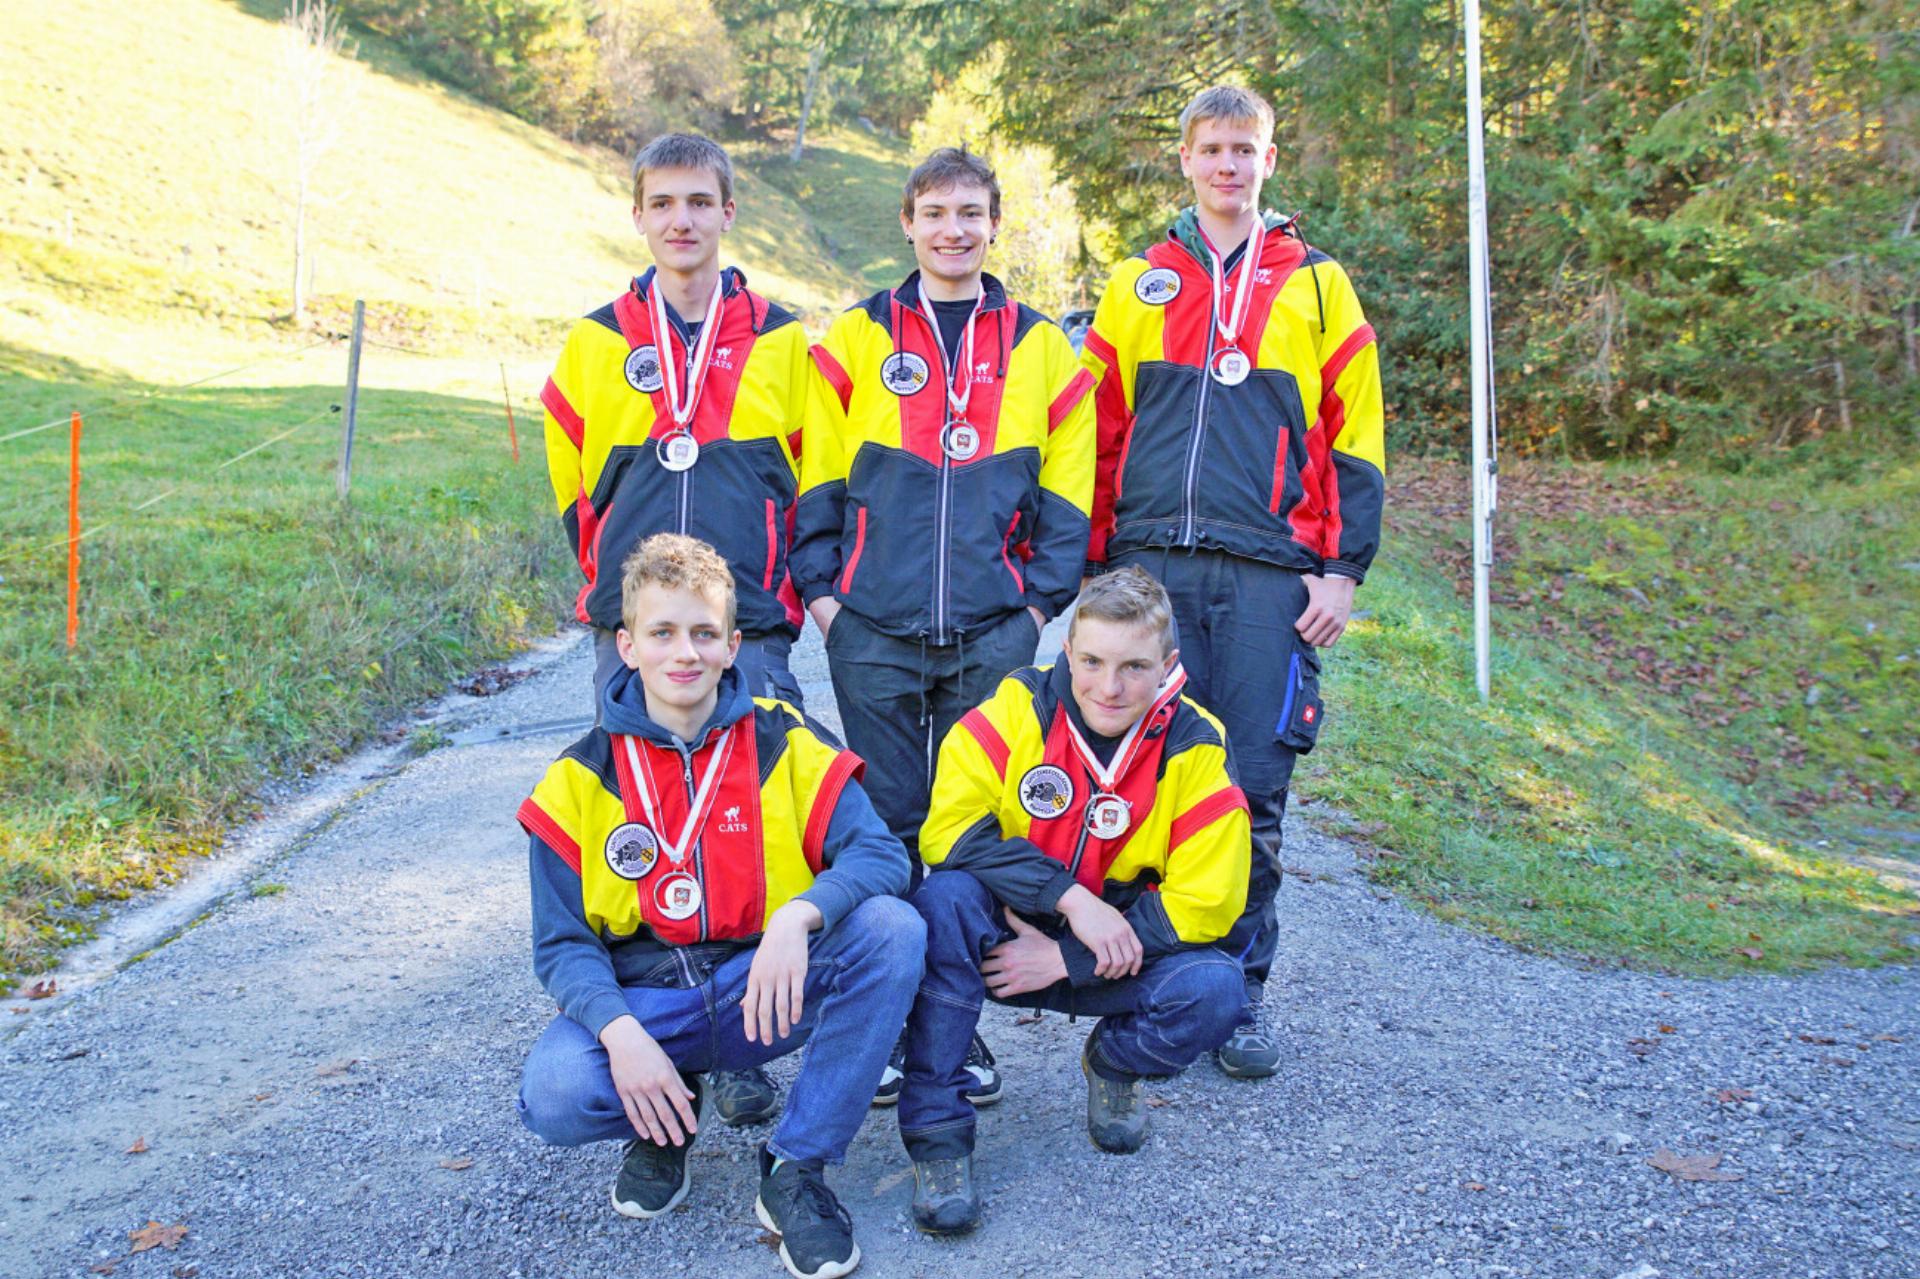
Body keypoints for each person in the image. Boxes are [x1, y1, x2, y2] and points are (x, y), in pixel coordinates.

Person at [1079, 86, 1385, 1079]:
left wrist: (1342, 568)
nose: (1227, 164)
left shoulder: (1319, 285)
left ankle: (1241, 996)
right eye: (1211, 148)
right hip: (1151, 571)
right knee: (1137, 780)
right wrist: (1090, 562)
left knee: (1252, 787)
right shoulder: (1141, 282)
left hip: (1267, 575)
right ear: (1185, 160)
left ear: (1269, 159)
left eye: (1243, 148)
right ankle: (1139, 985)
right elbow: (1098, 427)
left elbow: (1357, 436)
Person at [515, 534, 921, 1279]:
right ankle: (665, 1117)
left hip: (755, 993)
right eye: (662, 632)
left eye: (704, 633)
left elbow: (880, 854)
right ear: (626, 645)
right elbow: (561, 947)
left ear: (734, 645)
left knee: (893, 931)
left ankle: (796, 1165)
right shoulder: (574, 780)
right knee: (558, 1089)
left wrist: (800, 917)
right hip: (648, 1005)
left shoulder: (784, 741)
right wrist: (621, 1031)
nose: (685, 653)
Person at [792, 146, 1097, 1107]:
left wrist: (1039, 604)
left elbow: (1070, 493)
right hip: (872, 629)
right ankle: (884, 1029)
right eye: (934, 212)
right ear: (908, 222)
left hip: (992, 630)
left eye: (970, 212)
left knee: (964, 833)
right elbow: (816, 482)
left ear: (994, 223)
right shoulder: (852, 338)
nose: (953, 229)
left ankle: (952, 1035)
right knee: (885, 830)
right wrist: (827, 599)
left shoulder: (1046, 346)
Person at [539, 132, 813, 1125]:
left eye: (701, 200)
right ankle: (653, 1028)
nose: (683, 219)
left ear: (729, 212)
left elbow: (813, 474)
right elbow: (573, 482)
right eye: (664, 203)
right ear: (640, 216)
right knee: (639, 826)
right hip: (635, 633)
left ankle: (740, 1035)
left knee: (755, 824)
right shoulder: (598, 340)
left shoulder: (782, 340)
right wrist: (612, 591)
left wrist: (790, 583)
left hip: (753, 629)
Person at [896, 565, 1250, 1234]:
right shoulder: (1016, 707)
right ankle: (938, 1134)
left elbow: (1210, 896)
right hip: (1006, 940)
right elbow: (948, 832)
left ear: (1168, 664)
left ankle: (1113, 1063)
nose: (1108, 686)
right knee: (941, 902)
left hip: (1114, 951)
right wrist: (1068, 900)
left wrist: (1067, 957)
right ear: (1067, 651)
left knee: (1216, 990)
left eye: (1134, 667)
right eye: (1091, 660)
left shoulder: (1197, 742)